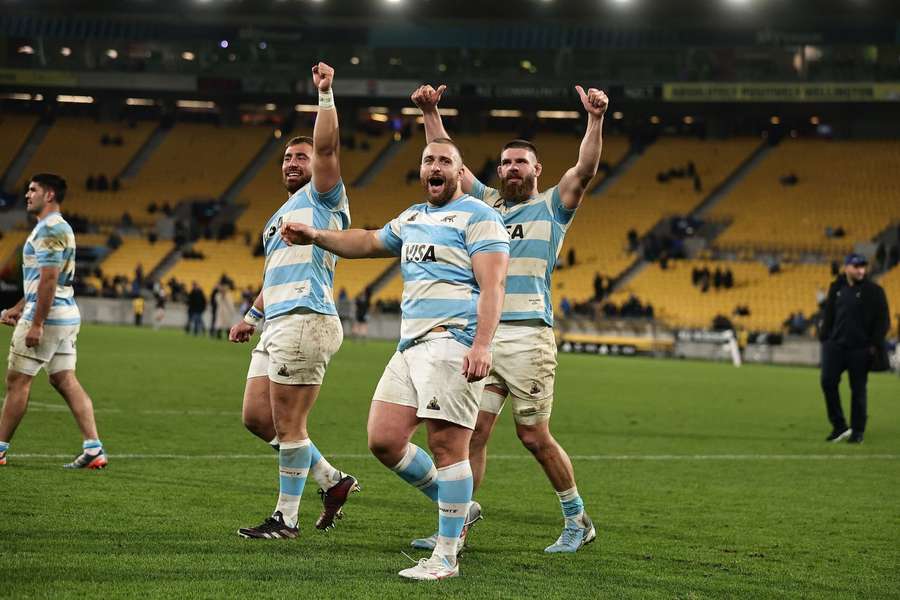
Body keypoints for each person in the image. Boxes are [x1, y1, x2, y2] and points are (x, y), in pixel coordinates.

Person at [281, 136, 509, 581]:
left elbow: (493, 285)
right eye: (428, 160)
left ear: (460, 173)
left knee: (448, 447)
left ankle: (446, 556)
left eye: (445, 160)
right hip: (410, 346)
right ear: (422, 171)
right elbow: (366, 241)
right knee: (384, 439)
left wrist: (482, 344)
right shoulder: (414, 216)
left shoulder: (481, 217)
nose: (435, 166)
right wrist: (315, 235)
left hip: (453, 340)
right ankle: (462, 509)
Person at [413, 82, 606, 553]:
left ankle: (578, 520)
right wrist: (431, 112)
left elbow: (585, 169)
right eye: (504, 163)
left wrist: (596, 120)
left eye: (520, 163)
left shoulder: (553, 206)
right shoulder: (487, 206)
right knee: (472, 433)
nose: (510, 169)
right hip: (486, 336)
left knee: (533, 436)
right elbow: (446, 162)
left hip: (528, 338)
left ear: (537, 170)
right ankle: (455, 526)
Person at [227, 62, 359, 539]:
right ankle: (332, 480)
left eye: (300, 157)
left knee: (289, 423)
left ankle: (286, 519)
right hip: (277, 320)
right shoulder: (278, 215)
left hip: (306, 319)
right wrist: (251, 315)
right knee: (257, 419)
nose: (292, 163)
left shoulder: (323, 198)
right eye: (286, 156)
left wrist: (325, 95)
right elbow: (273, 276)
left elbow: (327, 146)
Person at [0, 173, 107, 469]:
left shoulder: (49, 229)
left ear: (49, 195)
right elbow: (47, 280)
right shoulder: (56, 227)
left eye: (32, 189)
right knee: (64, 379)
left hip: (49, 317)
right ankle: (93, 448)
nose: (26, 195)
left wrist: (36, 323)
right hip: (66, 313)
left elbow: (49, 279)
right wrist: (20, 306)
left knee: (17, 381)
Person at [818, 253, 890, 444]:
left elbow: (883, 320)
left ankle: (857, 431)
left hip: (860, 348)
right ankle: (839, 426)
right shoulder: (837, 287)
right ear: (846, 267)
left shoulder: (874, 291)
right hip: (835, 346)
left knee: (858, 389)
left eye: (863, 267)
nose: (861, 270)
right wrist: (825, 337)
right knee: (827, 382)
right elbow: (829, 313)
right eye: (856, 266)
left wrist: (874, 344)